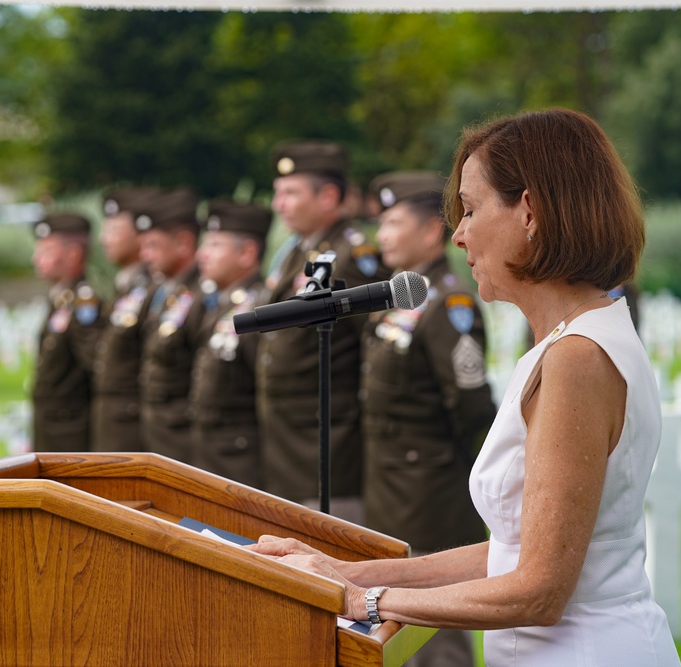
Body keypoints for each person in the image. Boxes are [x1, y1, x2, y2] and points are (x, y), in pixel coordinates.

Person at [249, 109, 681, 667]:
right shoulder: (580, 336)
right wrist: (346, 573)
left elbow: (540, 589)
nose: (458, 234)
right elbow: (510, 553)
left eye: (472, 209)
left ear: (530, 211)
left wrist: (366, 601)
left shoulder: (578, 356)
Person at [361, 170, 497, 667]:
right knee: (396, 635)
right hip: (390, 491)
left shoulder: (449, 303)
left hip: (433, 495)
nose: (382, 236)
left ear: (429, 231)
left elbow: (471, 406)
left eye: (394, 222)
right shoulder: (401, 297)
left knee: (437, 639)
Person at [255, 140, 389, 522]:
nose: (279, 204)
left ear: (328, 196)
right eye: (278, 193)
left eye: (290, 193)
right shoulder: (300, 253)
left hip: (328, 452)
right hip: (288, 450)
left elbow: (374, 347)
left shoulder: (354, 257)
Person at [189, 200, 273, 488]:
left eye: (214, 245)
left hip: (241, 460)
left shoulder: (259, 308)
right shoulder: (224, 303)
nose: (202, 254)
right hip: (213, 454)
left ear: (247, 252)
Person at [135, 186, 209, 464]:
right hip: (161, 436)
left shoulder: (201, 296)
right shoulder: (168, 292)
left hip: (186, 443)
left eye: (153, 245)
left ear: (183, 244)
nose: (145, 255)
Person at [30, 212, 104, 452]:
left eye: (47, 251)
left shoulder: (84, 302)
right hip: (52, 428)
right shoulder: (62, 299)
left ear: (73, 254)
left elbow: (96, 365)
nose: (36, 259)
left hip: (71, 431)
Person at [91, 186, 158, 452]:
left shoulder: (152, 290)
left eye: (113, 231)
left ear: (140, 235)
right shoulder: (127, 286)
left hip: (136, 428)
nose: (103, 239)